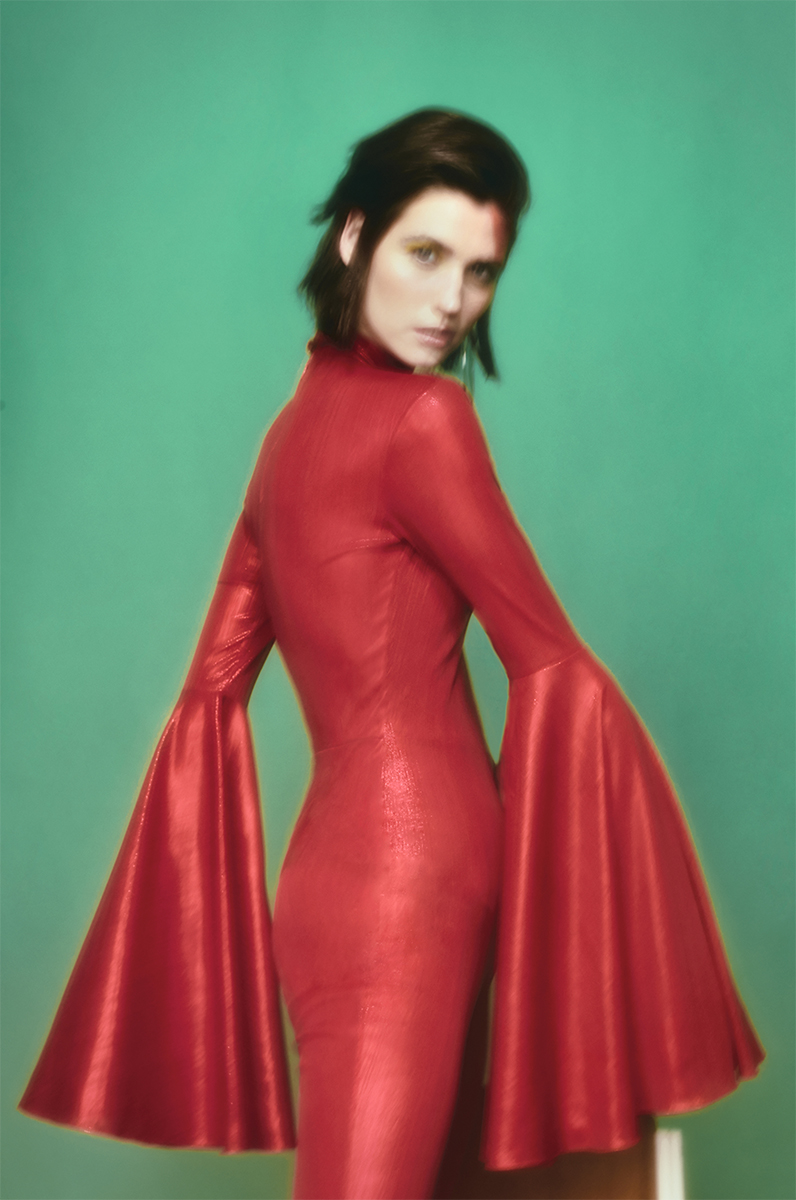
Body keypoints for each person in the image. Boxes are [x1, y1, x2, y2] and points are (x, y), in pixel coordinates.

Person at [20, 109, 763, 1200]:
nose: (452, 299)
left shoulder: (284, 439)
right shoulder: (426, 421)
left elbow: (206, 701)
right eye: (426, 254)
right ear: (355, 236)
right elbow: (550, 661)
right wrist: (617, 918)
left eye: (481, 271)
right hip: (416, 894)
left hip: (320, 888)